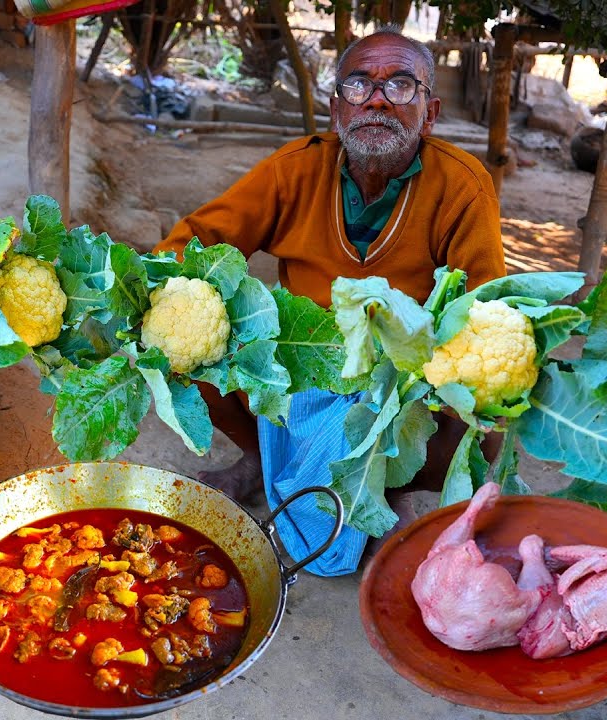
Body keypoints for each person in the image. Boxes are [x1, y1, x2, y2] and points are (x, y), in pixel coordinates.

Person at [154, 26, 506, 575]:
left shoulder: (462, 186)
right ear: (337, 107)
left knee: (486, 414)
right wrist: (157, 297)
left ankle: (392, 486)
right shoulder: (295, 169)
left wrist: (435, 372)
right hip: (299, 358)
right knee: (183, 346)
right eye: (359, 85)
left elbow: (486, 308)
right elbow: (198, 239)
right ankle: (257, 455)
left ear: (430, 111)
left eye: (401, 86)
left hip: (401, 378)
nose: (378, 100)